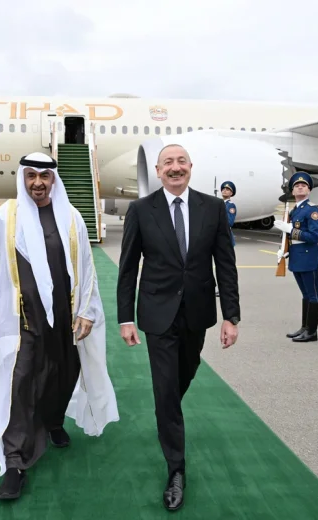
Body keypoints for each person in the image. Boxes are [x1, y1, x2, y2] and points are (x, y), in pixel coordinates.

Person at [0, 152, 119, 501]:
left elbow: (86, 268)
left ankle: (53, 421)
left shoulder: (71, 217)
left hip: (65, 318)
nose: (37, 183)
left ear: (54, 179)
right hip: (22, 318)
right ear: (23, 179)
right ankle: (14, 461)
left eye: (44, 176)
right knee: (21, 381)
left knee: (63, 374)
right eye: (31, 176)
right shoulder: (5, 216)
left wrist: (87, 311)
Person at [117, 144, 240, 511]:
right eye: (167, 162)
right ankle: (176, 469)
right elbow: (128, 268)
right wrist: (126, 317)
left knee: (185, 373)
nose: (175, 167)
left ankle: (166, 414)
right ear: (158, 171)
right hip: (157, 314)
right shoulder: (141, 210)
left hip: (197, 313)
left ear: (190, 167)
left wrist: (231, 316)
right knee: (166, 389)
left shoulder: (213, 208)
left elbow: (225, 264)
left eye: (181, 161)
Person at [274, 172, 318, 342]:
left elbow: (314, 236)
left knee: (313, 294)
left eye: (303, 186)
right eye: (297, 186)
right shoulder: (295, 210)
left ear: (309, 190)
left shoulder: (312, 210)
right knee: (305, 294)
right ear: (293, 191)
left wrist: (291, 230)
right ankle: (305, 327)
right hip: (297, 256)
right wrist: (285, 250)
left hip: (308, 257)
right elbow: (290, 238)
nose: (300, 187)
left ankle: (312, 332)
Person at [220, 180, 237, 246]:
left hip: (226, 235)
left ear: (231, 193)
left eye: (227, 189)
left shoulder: (231, 205)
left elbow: (230, 222)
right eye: (223, 189)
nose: (224, 190)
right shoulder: (219, 203)